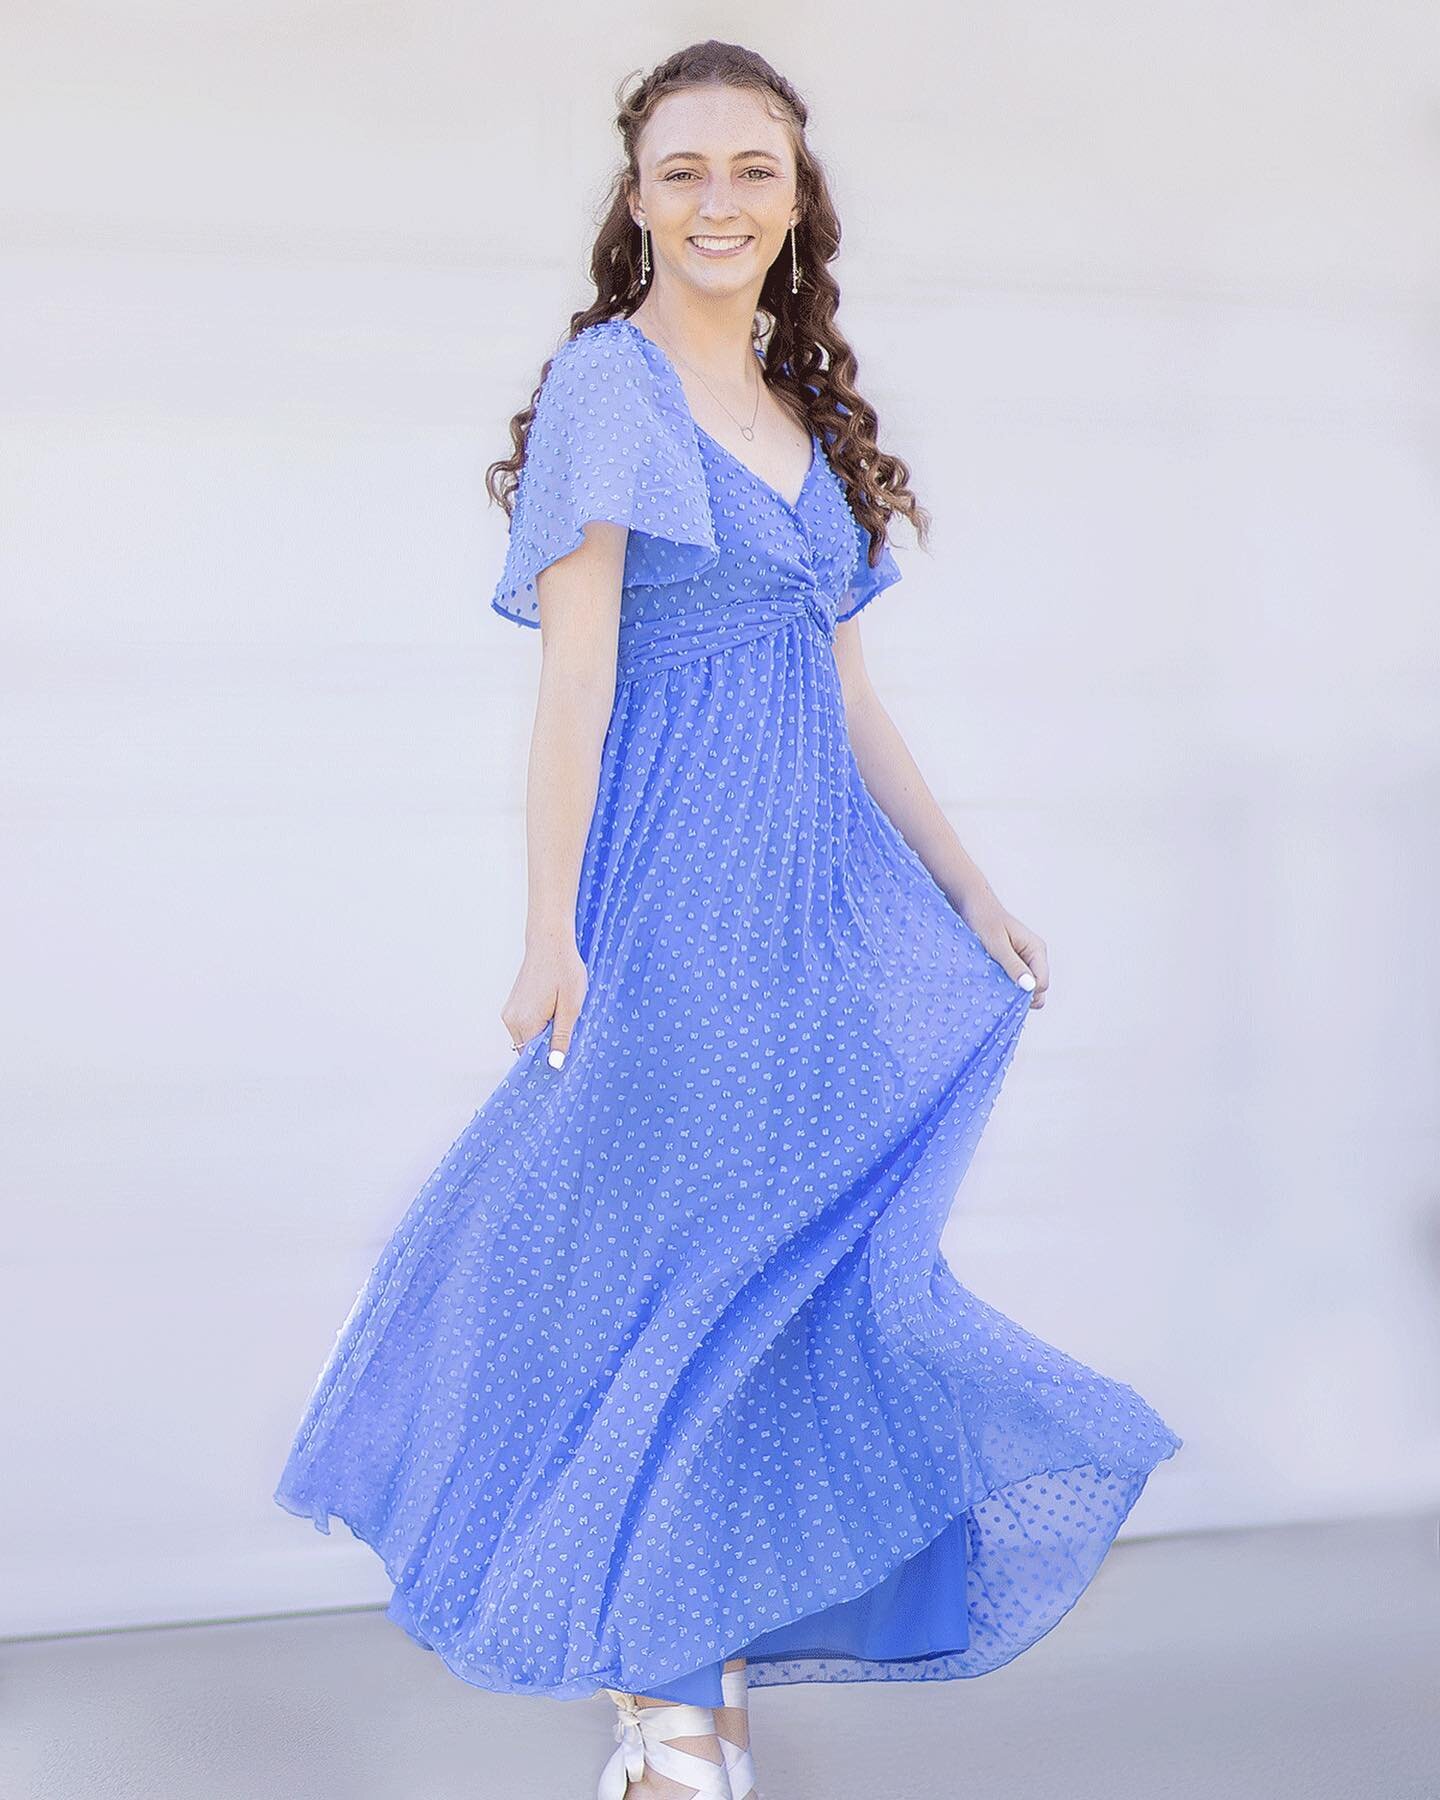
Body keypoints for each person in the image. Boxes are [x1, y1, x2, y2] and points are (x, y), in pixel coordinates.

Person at [274, 39, 1183, 1800]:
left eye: (751, 169)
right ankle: (669, 1715)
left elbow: (850, 698)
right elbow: (575, 693)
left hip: (822, 912)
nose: (717, 201)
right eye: (683, 170)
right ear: (635, 199)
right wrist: (552, 926)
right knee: (668, 1281)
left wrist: (972, 887)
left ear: (796, 199)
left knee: (793, 1286)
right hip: (675, 904)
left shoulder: (798, 414)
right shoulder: (610, 390)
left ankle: (696, 1687)